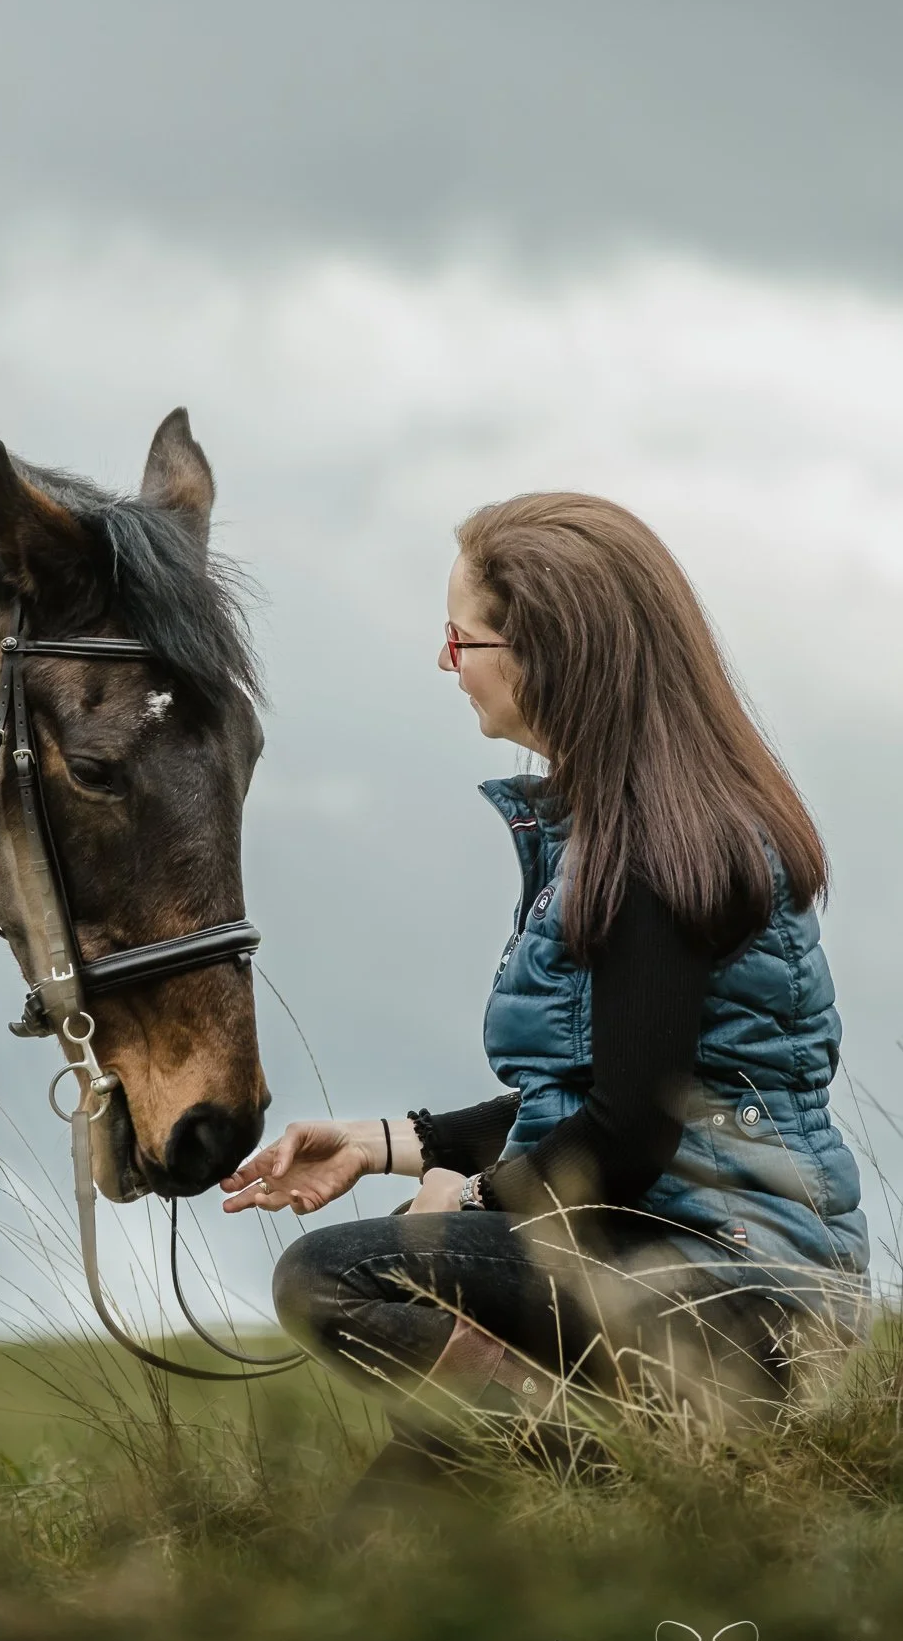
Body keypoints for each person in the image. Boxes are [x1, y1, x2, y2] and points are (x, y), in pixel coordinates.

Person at [222, 493, 870, 1446]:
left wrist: (470, 1200)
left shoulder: (659, 848)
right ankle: (572, 1491)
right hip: (687, 1256)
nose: (445, 663)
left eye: (461, 638)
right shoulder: (622, 829)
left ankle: (643, 1476)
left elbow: (629, 1135)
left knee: (334, 1275)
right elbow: (599, 1098)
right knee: (397, 1526)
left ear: (546, 653)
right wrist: (385, 1144)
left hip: (739, 1286)